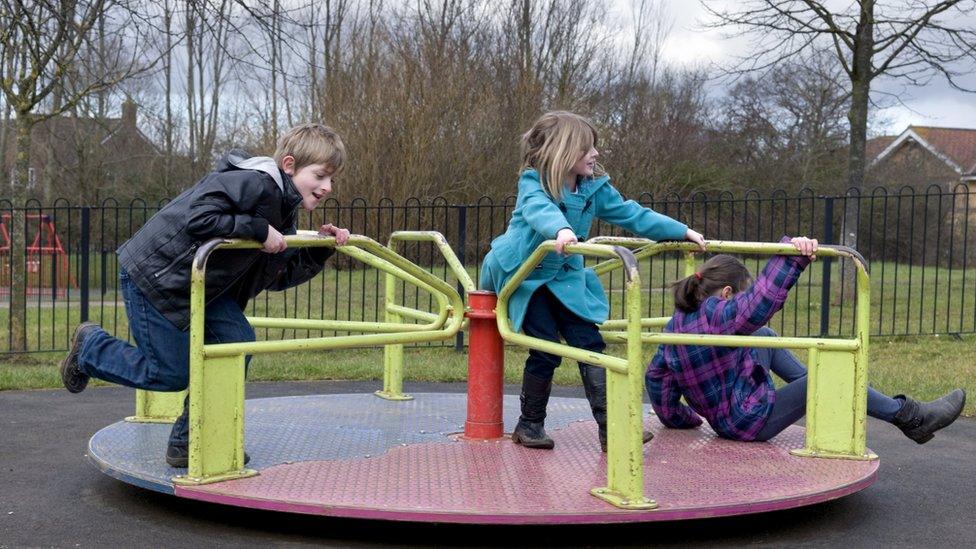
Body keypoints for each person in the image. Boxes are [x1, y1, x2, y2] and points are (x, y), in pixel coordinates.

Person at [59, 123, 352, 467]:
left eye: (332, 179)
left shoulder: (283, 213)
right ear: (290, 165)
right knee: (170, 374)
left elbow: (273, 276)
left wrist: (318, 251)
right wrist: (257, 229)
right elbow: (199, 216)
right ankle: (91, 349)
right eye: (320, 175)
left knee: (237, 342)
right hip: (157, 276)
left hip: (204, 289)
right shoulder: (255, 182)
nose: (328, 187)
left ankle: (190, 440)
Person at [480, 111, 706, 452]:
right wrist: (561, 230)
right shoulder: (533, 183)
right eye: (587, 148)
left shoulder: (593, 188)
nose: (595, 154)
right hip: (527, 277)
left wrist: (681, 230)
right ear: (563, 151)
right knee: (545, 349)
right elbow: (538, 209)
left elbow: (633, 214)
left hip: (565, 278)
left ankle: (611, 429)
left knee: (590, 344)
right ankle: (529, 425)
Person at [646, 237, 966, 443]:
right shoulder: (716, 314)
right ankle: (912, 418)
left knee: (762, 336)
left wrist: (684, 418)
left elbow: (657, 381)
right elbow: (754, 307)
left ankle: (811, 387)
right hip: (751, 421)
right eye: (739, 295)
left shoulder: (676, 325)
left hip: (727, 415)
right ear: (727, 293)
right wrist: (792, 256)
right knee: (830, 374)